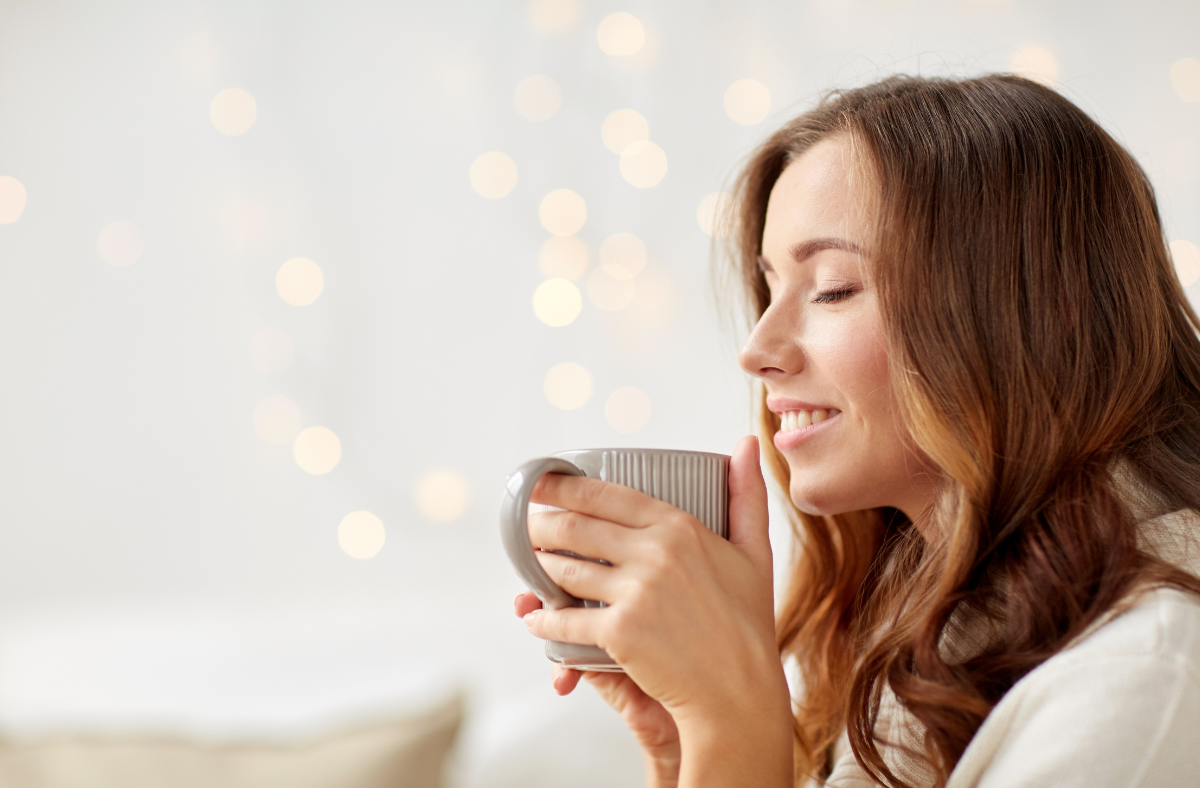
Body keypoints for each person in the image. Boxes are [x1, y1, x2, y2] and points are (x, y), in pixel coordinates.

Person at [512, 74, 1200, 788]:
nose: (757, 350)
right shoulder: (913, 657)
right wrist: (694, 749)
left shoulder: (1144, 677)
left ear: (1041, 308)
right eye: (770, 288)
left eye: (833, 288)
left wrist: (732, 718)